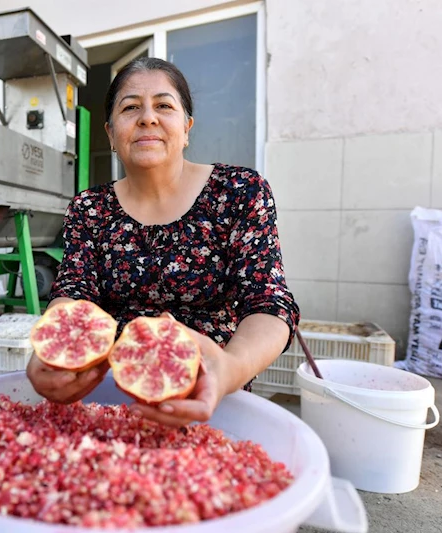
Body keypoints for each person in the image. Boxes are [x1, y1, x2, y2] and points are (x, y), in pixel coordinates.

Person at [26, 57, 300, 427]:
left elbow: (269, 302)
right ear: (110, 133)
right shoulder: (89, 209)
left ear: (187, 127)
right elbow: (74, 293)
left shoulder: (240, 192)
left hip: (211, 396)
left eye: (164, 105)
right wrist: (54, 348)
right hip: (111, 396)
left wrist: (231, 368)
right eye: (130, 107)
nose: (148, 118)